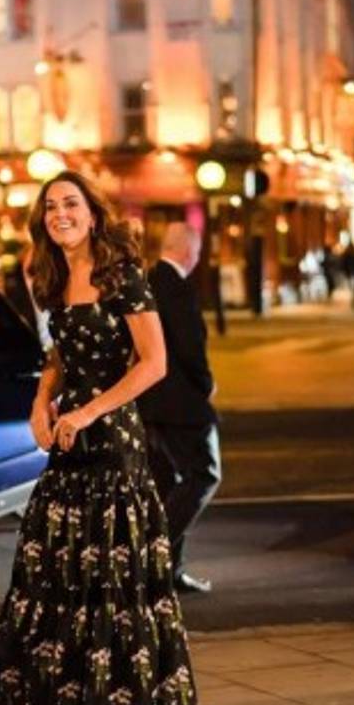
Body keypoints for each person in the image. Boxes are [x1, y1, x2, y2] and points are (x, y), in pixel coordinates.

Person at [0, 170, 202, 705]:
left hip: (113, 446)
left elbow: (153, 364)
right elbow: (59, 355)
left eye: (70, 204)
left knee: (110, 585)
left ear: (93, 213)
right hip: (68, 445)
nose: (60, 214)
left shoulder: (122, 274)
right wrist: (39, 403)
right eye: (50, 207)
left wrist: (89, 409)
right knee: (55, 580)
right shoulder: (51, 275)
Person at [138, 222, 221, 594]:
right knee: (204, 475)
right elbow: (189, 347)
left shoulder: (147, 282)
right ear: (190, 251)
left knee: (167, 483)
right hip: (180, 403)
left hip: (151, 403)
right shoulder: (178, 288)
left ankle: (168, 570)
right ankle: (154, 559)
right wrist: (206, 385)